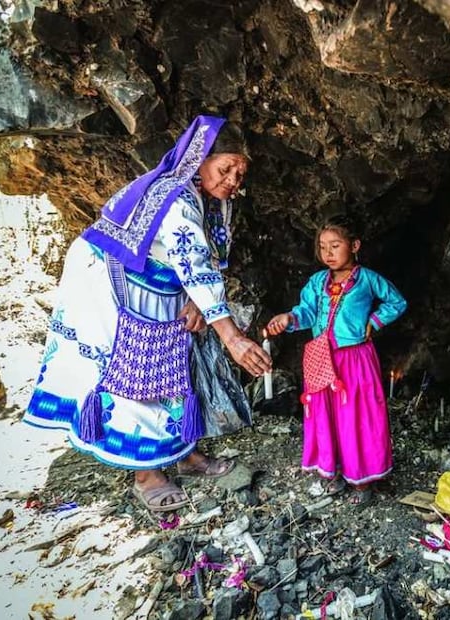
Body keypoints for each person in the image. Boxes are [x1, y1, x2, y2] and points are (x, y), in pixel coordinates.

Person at [24, 115, 272, 512]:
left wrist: (197, 303)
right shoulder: (176, 198)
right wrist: (232, 337)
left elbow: (209, 258)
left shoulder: (214, 201)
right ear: (200, 159)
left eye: (240, 174)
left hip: (158, 281)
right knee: (136, 367)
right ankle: (146, 474)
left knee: (176, 359)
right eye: (226, 168)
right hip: (108, 279)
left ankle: (181, 451)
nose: (232, 180)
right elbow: (193, 262)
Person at [266, 214, 406, 505]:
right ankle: (335, 469)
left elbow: (397, 302)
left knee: (357, 415)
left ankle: (362, 479)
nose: (327, 253)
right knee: (326, 414)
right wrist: (288, 318)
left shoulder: (368, 280)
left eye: (335, 245)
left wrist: (375, 321)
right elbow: (306, 312)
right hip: (321, 356)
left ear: (354, 246)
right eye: (322, 246)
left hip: (355, 359)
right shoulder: (317, 281)